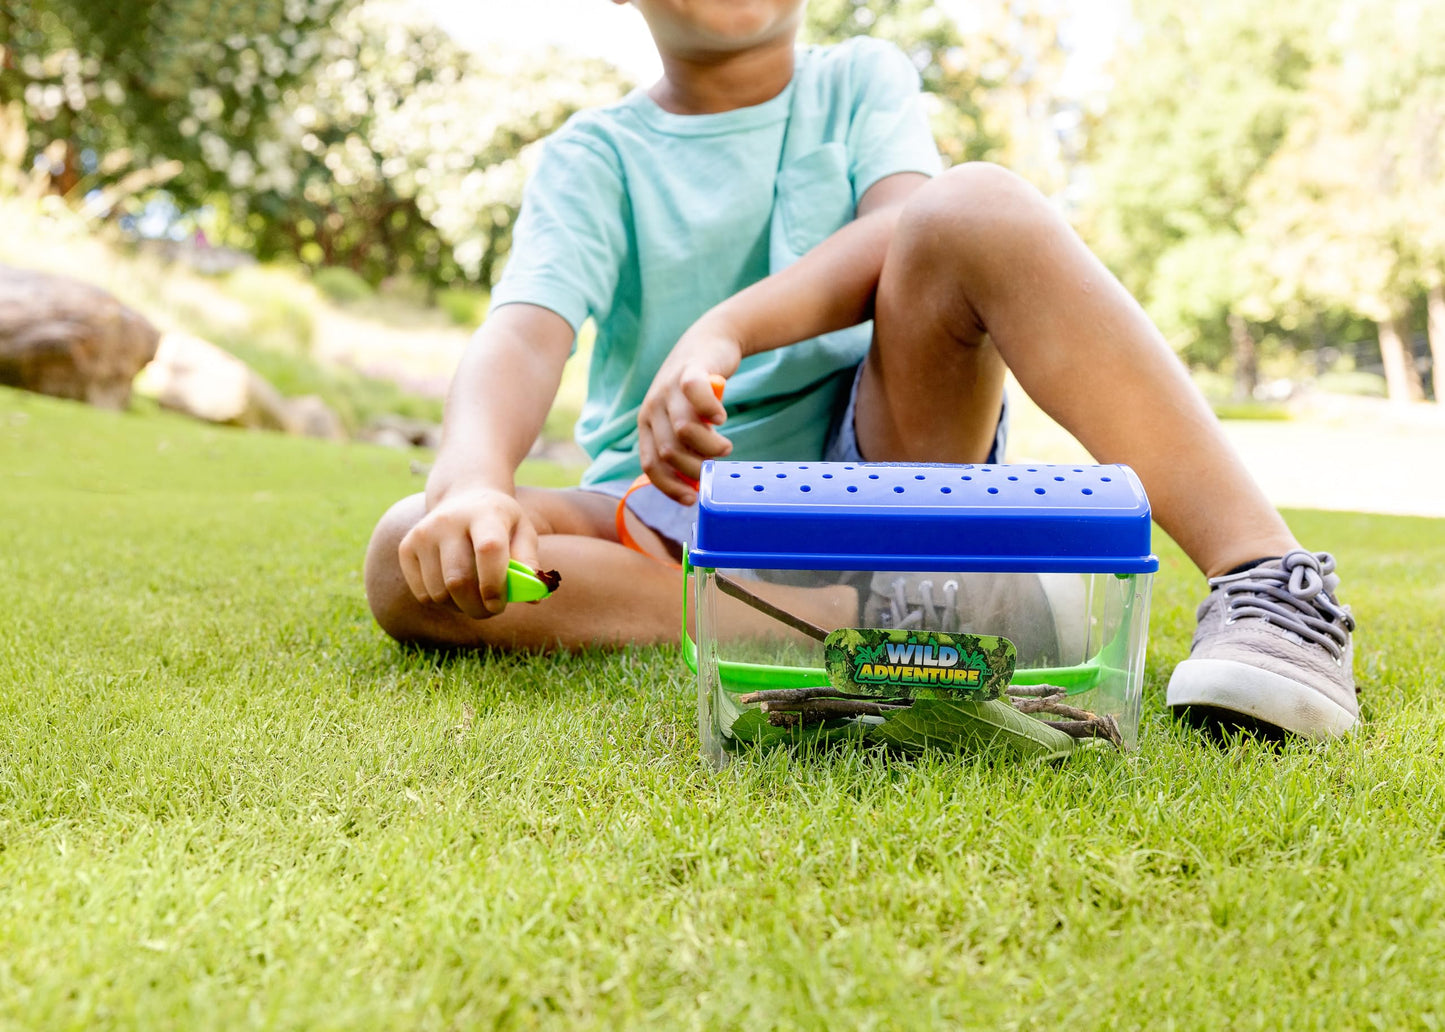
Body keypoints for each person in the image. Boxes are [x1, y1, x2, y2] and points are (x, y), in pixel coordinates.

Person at [364, 0, 1359, 738]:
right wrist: (469, 489)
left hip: (890, 481)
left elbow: (898, 233)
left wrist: (722, 329)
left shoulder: (858, 80)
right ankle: (893, 626)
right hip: (670, 520)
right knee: (408, 554)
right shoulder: (595, 155)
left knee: (971, 206)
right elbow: (524, 331)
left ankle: (1270, 583)